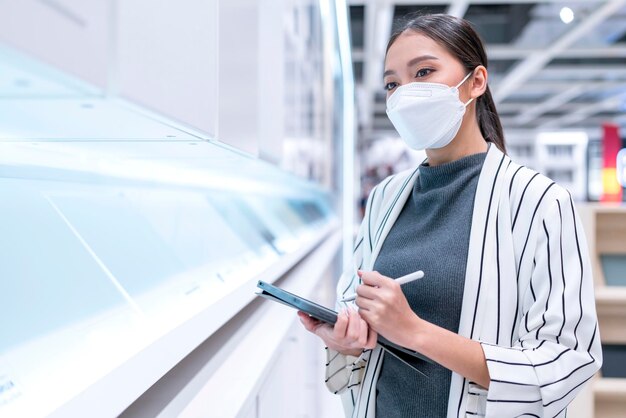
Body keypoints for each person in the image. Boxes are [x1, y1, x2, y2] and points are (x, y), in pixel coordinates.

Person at [298, 13, 602, 418]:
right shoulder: (385, 198)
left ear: (476, 82)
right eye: (392, 84)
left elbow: (565, 363)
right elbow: (358, 309)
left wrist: (415, 332)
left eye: (423, 72)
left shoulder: (540, 202)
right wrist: (349, 336)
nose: (405, 93)